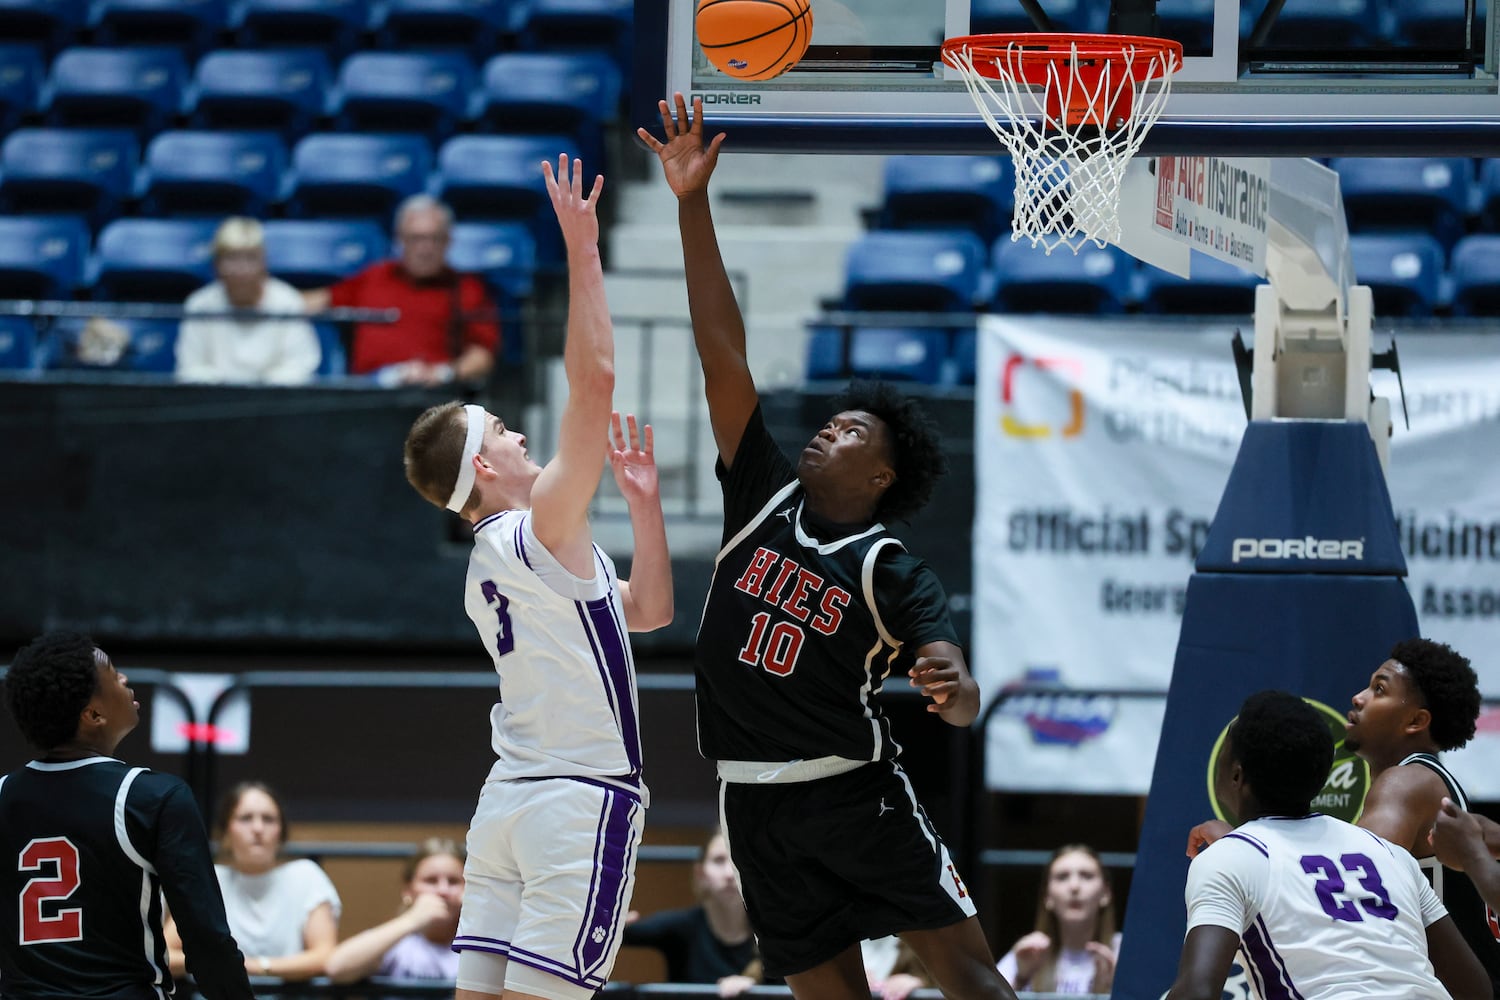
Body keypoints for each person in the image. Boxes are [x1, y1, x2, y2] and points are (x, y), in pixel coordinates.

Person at [638, 92, 1016, 1000]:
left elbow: (957, 692)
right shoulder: (762, 492)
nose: (825, 432)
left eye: (848, 431)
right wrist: (691, 203)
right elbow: (720, 352)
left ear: (881, 473)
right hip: (751, 804)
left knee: (964, 973)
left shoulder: (890, 566)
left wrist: (952, 691)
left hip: (855, 792)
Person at [401, 153, 673, 1000]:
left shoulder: (500, 562)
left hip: (508, 805)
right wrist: (581, 249)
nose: (524, 438)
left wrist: (645, 508)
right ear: (484, 466)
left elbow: (649, 613)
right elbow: (593, 381)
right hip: (577, 805)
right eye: (507, 433)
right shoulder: (536, 533)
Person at [1186, 637, 1500, 989]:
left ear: (1416, 720)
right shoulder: (1439, 787)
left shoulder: (1405, 784)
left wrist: (1239, 845)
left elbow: (1344, 874)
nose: (1358, 697)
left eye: (1379, 690)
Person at [0, 631, 254, 999]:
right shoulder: (153, 797)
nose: (124, 679)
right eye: (114, 674)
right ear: (94, 714)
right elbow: (207, 940)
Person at [303, 194, 498, 386]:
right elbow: (315, 301)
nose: (425, 249)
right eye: (416, 238)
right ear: (399, 239)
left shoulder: (466, 288)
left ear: (448, 241)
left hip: (433, 393)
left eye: (435, 238)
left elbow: (482, 354)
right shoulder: (374, 277)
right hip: (369, 392)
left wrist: (444, 374)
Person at [164, 780, 341, 982]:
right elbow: (165, 955)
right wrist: (216, 962)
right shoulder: (211, 879)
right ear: (226, 831)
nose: (258, 828)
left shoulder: (306, 876)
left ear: (281, 833)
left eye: (268, 819)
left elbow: (325, 956)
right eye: (245, 818)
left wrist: (255, 966)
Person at [622, 830, 771, 998]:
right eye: (719, 861)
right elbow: (620, 934)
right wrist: (612, 925)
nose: (729, 874)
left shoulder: (773, 934)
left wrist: (751, 992)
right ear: (700, 873)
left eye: (737, 860)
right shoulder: (683, 926)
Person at [176, 216, 321, 384]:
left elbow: (299, 366)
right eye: (231, 259)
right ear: (216, 265)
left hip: (277, 404)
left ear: (264, 263)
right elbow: (190, 368)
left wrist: (261, 393)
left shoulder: (287, 301)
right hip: (213, 404)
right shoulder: (199, 304)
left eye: (250, 258)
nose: (241, 269)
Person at [325, 838, 465, 984]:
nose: (443, 890)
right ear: (408, 890)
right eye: (431, 881)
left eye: (454, 881)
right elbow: (336, 968)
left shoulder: (474, 944)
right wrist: (411, 920)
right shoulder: (398, 944)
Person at [997, 844, 1119, 994]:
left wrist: (1118, 987)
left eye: (1087, 876)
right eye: (1062, 877)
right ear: (1047, 896)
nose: (1074, 887)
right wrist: (1020, 980)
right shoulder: (1029, 953)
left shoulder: (1124, 953)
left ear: (1105, 893)